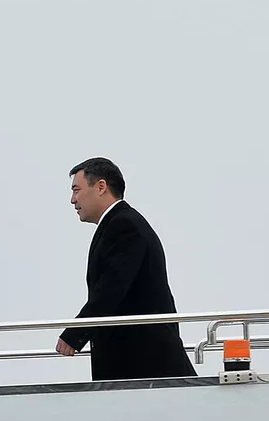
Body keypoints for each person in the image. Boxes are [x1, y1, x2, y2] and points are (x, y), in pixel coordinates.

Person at [54, 158, 197, 380]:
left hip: (145, 365)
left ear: (101, 187)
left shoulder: (124, 225)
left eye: (76, 190)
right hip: (137, 364)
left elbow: (112, 287)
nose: (73, 199)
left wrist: (75, 333)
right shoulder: (118, 224)